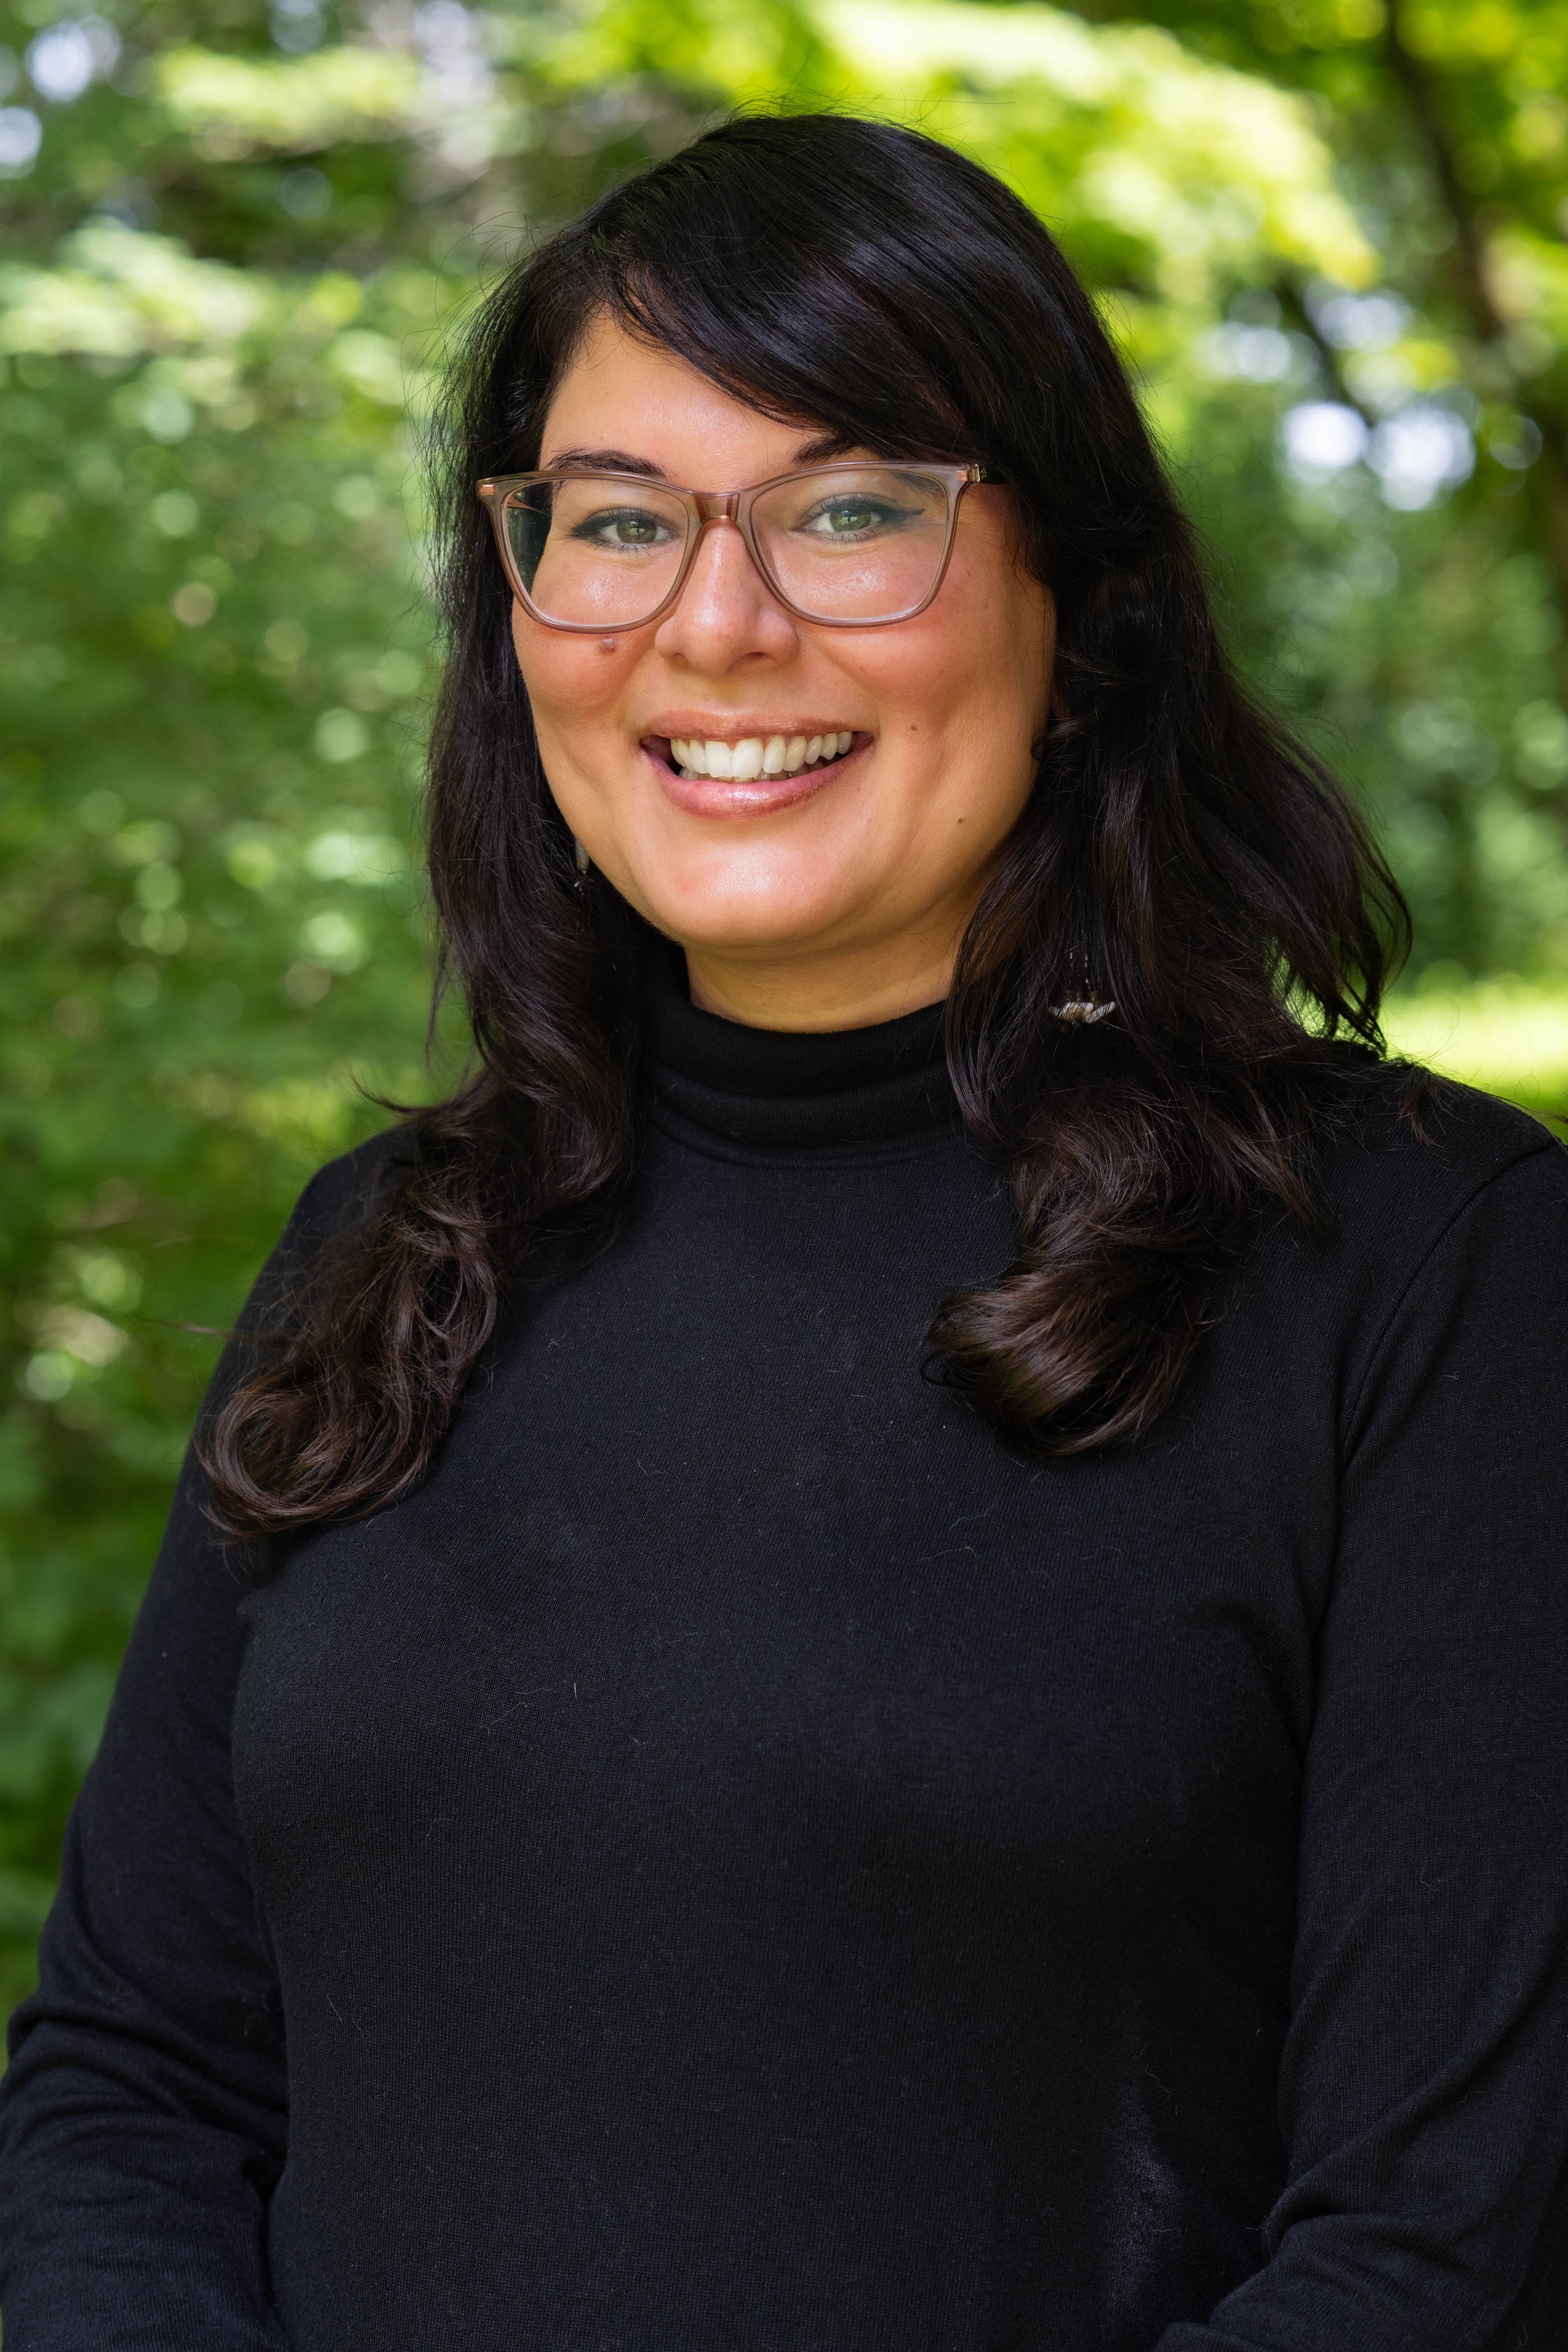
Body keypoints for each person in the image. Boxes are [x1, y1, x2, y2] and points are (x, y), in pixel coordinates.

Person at [3, 109, 1566, 2352]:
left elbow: (1440, 2250)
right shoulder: (384, 1251)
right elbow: (133, 2088)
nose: (715, 629)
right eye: (619, 522)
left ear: (1083, 611)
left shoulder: (1425, 1274)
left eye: (852, 511)